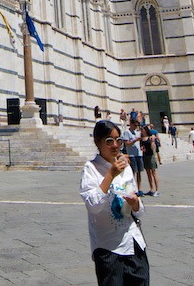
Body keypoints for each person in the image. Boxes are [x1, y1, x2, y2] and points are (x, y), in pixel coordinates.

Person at [79, 120, 149, 285]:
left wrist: (136, 203)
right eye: (109, 141)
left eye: (118, 140)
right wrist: (111, 174)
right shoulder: (91, 169)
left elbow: (139, 211)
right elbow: (93, 205)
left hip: (134, 243)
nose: (115, 145)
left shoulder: (126, 168)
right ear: (98, 142)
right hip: (108, 248)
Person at [139, 126, 160, 197]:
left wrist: (152, 142)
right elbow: (141, 147)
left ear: (145, 130)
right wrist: (142, 148)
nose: (141, 131)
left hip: (151, 156)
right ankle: (151, 189)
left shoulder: (150, 137)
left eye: (142, 129)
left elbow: (153, 148)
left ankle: (157, 190)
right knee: (148, 173)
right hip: (145, 156)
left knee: (153, 173)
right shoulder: (141, 139)